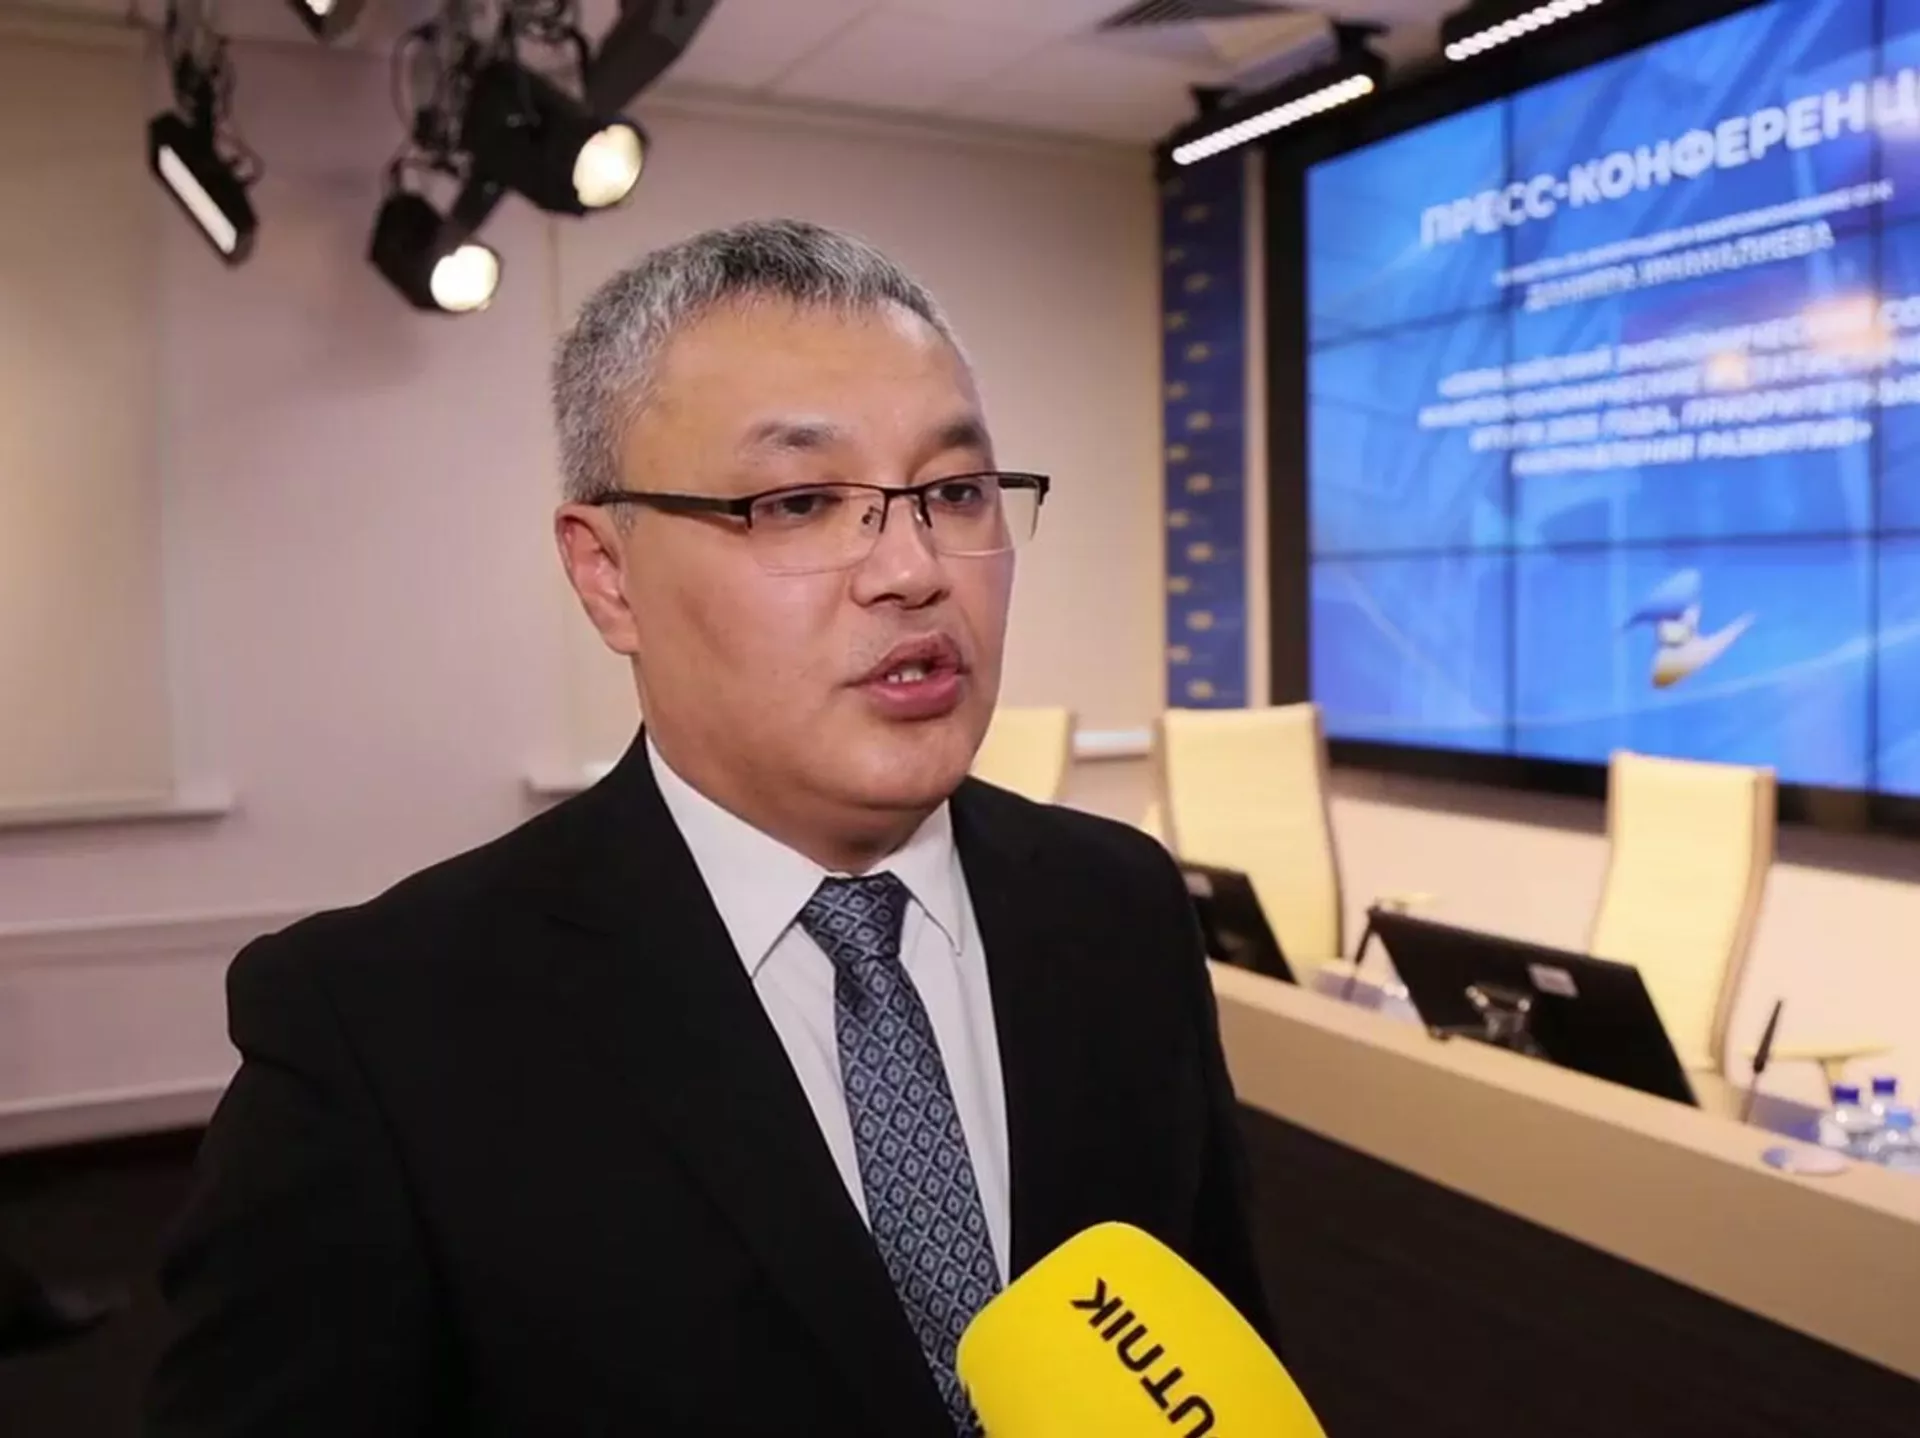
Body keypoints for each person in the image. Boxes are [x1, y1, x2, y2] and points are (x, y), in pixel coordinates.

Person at [145, 219, 1273, 1437]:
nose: (913, 568)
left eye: (953, 492)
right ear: (607, 575)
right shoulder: (377, 1026)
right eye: (800, 501)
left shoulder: (1122, 906)